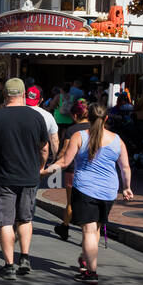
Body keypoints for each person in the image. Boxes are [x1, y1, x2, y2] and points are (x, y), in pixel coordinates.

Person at [42, 103, 134, 285]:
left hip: (85, 189)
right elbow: (125, 167)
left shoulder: (80, 136)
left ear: (88, 118)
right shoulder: (117, 140)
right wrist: (126, 187)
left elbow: (64, 162)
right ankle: (86, 258)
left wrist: (44, 171)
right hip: (108, 191)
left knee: (89, 230)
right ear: (106, 118)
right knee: (96, 229)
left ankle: (91, 272)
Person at [0, 77, 49, 280]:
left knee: (6, 222)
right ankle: (24, 257)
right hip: (29, 175)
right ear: (24, 94)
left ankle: (9, 265)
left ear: (5, 95)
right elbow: (44, 148)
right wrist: (40, 167)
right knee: (25, 218)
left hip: (5, 176)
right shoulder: (37, 118)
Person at [52, 98, 90, 242]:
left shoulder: (71, 130)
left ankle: (65, 227)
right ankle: (87, 234)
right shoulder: (95, 129)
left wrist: (55, 162)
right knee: (86, 202)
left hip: (72, 169)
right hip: (90, 169)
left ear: (74, 116)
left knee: (71, 202)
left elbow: (64, 151)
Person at [26, 85, 60, 160]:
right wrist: (54, 159)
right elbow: (54, 141)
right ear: (41, 100)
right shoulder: (48, 116)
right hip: (35, 161)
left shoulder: (13, 112)